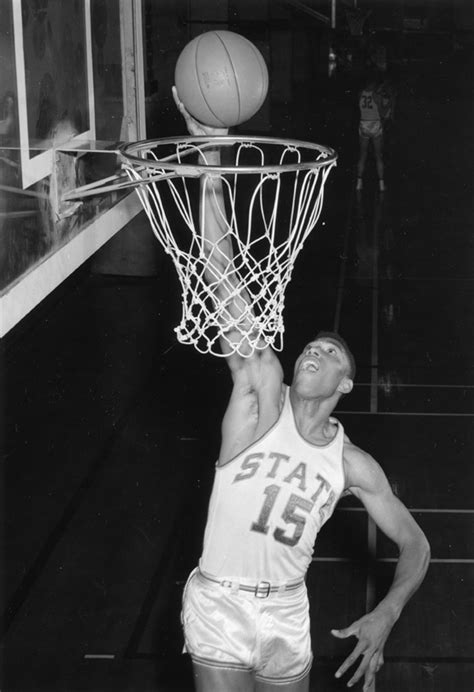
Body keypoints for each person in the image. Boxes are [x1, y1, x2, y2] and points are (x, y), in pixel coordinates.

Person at [172, 87, 430, 692]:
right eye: (310, 346)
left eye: (331, 352)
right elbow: (221, 271)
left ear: (346, 382)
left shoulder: (351, 464)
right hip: (221, 604)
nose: (314, 350)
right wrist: (212, 161)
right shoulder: (260, 398)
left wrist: (387, 614)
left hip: (288, 611)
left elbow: (415, 543)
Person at [355, 71, 392, 192]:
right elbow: (383, 114)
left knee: (362, 155)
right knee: (378, 156)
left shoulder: (360, 93)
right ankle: (381, 185)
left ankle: (359, 183)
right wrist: (388, 105)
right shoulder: (377, 96)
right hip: (375, 125)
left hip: (363, 125)